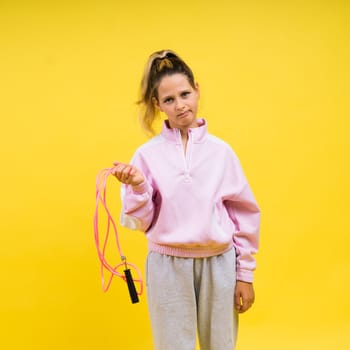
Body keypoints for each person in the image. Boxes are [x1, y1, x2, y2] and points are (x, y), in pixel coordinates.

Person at [112, 49, 260, 350]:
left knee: (221, 344)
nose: (180, 105)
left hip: (219, 263)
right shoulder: (146, 155)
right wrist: (139, 186)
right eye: (169, 100)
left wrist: (244, 274)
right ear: (158, 104)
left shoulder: (222, 153)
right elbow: (138, 221)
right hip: (167, 265)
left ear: (197, 90)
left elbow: (244, 215)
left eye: (185, 94)